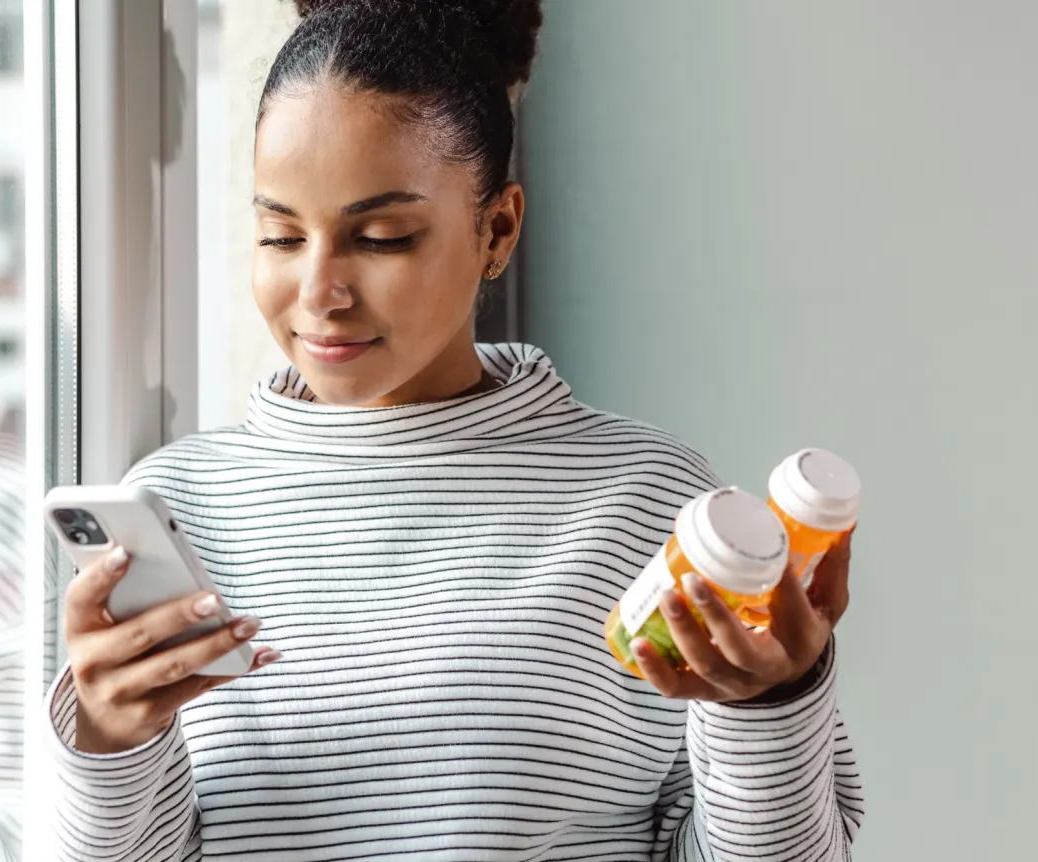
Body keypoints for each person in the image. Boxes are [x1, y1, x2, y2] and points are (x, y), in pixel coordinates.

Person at [47, 1, 865, 859]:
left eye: (382, 237)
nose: (318, 291)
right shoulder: (176, 509)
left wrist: (768, 707)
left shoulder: (647, 501)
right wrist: (107, 741)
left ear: (497, 228)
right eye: (279, 235)